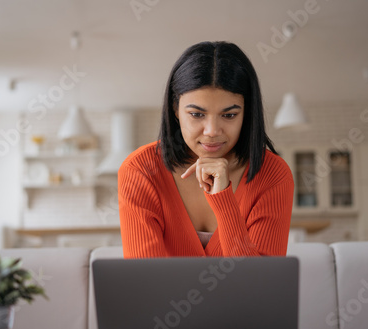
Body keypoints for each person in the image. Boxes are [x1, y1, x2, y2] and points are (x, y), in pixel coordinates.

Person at [118, 41, 294, 258]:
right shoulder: (141, 170)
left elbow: (260, 286)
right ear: (175, 109)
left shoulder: (273, 174)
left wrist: (223, 199)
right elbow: (146, 283)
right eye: (197, 114)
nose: (212, 131)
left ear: (247, 113)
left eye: (229, 115)